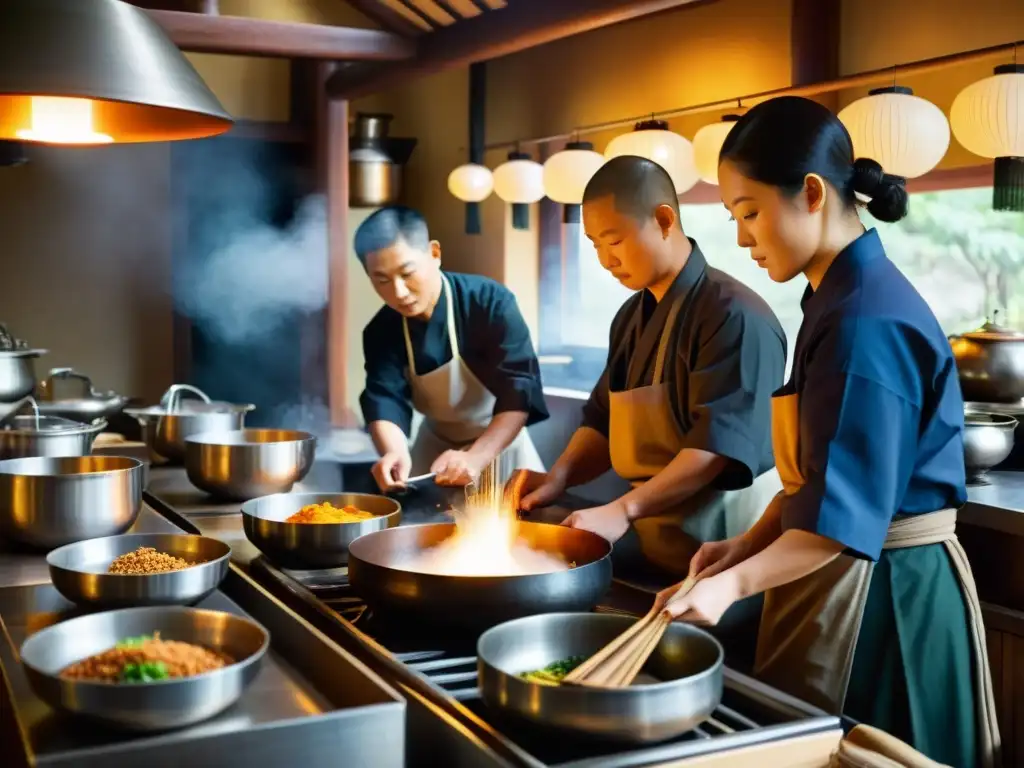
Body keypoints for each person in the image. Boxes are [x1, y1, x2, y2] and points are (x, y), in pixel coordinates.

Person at [660, 96, 998, 768]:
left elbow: (838, 523)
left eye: (749, 212)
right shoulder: (834, 297)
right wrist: (740, 549)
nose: (743, 238)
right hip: (846, 575)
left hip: (889, 597)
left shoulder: (864, 322)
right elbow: (815, 477)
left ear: (810, 193)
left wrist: (727, 589)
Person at [518, 156, 786, 583]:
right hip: (655, 540)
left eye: (615, 240)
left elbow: (717, 448)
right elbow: (603, 420)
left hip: (728, 549)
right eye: (594, 244)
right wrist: (558, 478)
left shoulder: (734, 314)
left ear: (664, 219)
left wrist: (622, 508)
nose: (606, 259)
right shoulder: (630, 315)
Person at [356, 205, 547, 491]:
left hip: (498, 441)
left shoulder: (489, 302)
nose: (398, 293)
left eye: (407, 273)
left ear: (434, 253)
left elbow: (519, 388)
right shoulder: (381, 329)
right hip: (433, 444)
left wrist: (476, 456)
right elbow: (384, 398)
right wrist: (393, 451)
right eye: (381, 280)